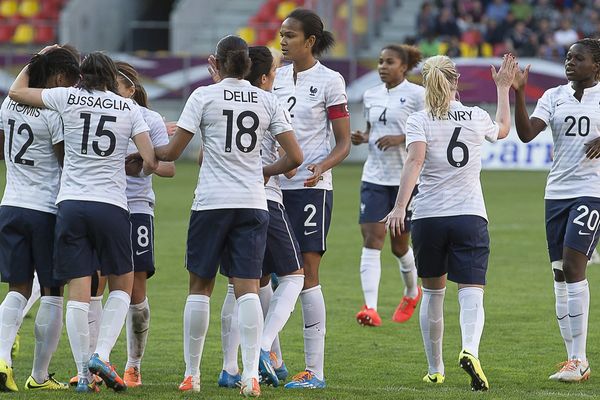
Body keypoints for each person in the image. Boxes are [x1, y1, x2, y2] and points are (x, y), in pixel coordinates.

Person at [149, 35, 302, 396]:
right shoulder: (267, 100)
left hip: (212, 202)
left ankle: (192, 375)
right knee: (248, 287)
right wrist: (265, 171)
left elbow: (171, 152)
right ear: (249, 66)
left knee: (200, 288)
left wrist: (144, 148)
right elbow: (295, 157)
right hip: (252, 202)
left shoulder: (202, 96)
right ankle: (250, 374)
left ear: (215, 63)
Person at [9, 48, 158, 393]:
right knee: (121, 284)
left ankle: (82, 373)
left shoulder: (66, 97)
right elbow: (150, 160)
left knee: (79, 289)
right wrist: (132, 163)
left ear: (81, 76)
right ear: (109, 77)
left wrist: (38, 58)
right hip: (111, 205)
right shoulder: (128, 107)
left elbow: (16, 92)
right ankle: (102, 354)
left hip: (71, 204)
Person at [383, 54, 516, 391]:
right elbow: (503, 130)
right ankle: (470, 349)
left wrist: (400, 207)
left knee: (433, 293)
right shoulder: (475, 116)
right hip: (470, 215)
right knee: (471, 292)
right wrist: (503, 89)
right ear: (455, 80)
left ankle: (435, 368)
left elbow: (414, 162)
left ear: (425, 83)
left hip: (429, 217)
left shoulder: (420, 119)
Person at [210, 46, 305, 389]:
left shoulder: (219, 101)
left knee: (241, 287)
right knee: (295, 277)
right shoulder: (268, 104)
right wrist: (266, 170)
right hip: (263, 201)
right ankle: (263, 346)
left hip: (220, 201)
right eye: (275, 74)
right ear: (264, 77)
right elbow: (293, 166)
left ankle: (230, 367)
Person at [512, 38, 600, 382]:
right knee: (560, 273)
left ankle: (580, 359)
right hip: (556, 193)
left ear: (596, 66)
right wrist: (518, 93)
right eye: (567, 57)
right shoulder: (553, 96)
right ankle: (571, 360)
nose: (570, 62)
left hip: (591, 192)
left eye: (578, 58)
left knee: (576, 264)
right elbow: (525, 134)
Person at [274, 8, 351, 389]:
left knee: (306, 273)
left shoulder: (330, 81)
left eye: (290, 35)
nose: (282, 40)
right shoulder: (275, 79)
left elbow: (344, 142)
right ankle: (274, 358)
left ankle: (315, 370)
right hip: (273, 187)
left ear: (310, 41)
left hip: (309, 190)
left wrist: (319, 166)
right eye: (281, 34)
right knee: (273, 271)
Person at [0, 46, 79, 392]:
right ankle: (40, 375)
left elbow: (16, 90)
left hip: (10, 204)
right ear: (59, 78)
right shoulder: (52, 112)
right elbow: (66, 163)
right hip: (45, 210)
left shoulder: (7, 105)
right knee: (52, 292)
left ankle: (2, 359)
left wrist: (36, 57)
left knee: (17, 288)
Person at [351, 44, 425, 327]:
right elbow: (373, 131)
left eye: (389, 62)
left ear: (403, 67)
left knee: (399, 246)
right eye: (380, 61)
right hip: (375, 178)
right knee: (372, 238)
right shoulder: (371, 95)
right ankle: (370, 307)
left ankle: (411, 291)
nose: (382, 66)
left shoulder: (418, 96)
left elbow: (427, 133)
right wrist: (363, 136)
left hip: (405, 181)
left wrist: (401, 138)